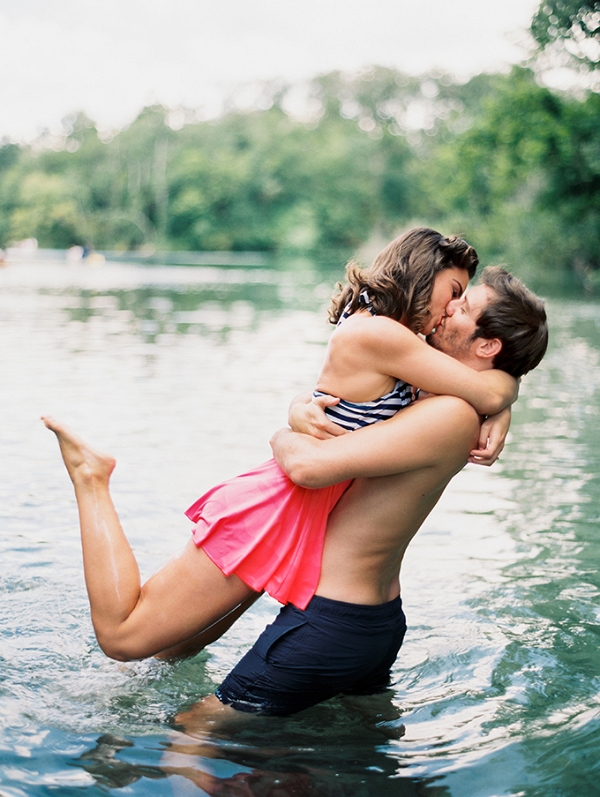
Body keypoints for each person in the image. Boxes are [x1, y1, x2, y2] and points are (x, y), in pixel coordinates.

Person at [42, 229, 516, 664]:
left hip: (305, 509)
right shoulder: (380, 333)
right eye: (452, 293)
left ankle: (137, 717)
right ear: (420, 272)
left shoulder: (399, 336)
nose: (453, 310)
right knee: (124, 638)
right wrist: (501, 404)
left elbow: (473, 383)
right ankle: (92, 477)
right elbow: (487, 389)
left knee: (186, 642)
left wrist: (500, 406)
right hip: (279, 504)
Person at [175, 265, 548, 723]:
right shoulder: (436, 393)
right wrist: (299, 410)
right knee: (345, 760)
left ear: (488, 345)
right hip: (373, 622)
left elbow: (307, 467)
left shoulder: (449, 412)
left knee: (192, 732)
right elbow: (353, 400)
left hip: (332, 621)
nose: (449, 307)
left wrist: (280, 435)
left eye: (464, 307)